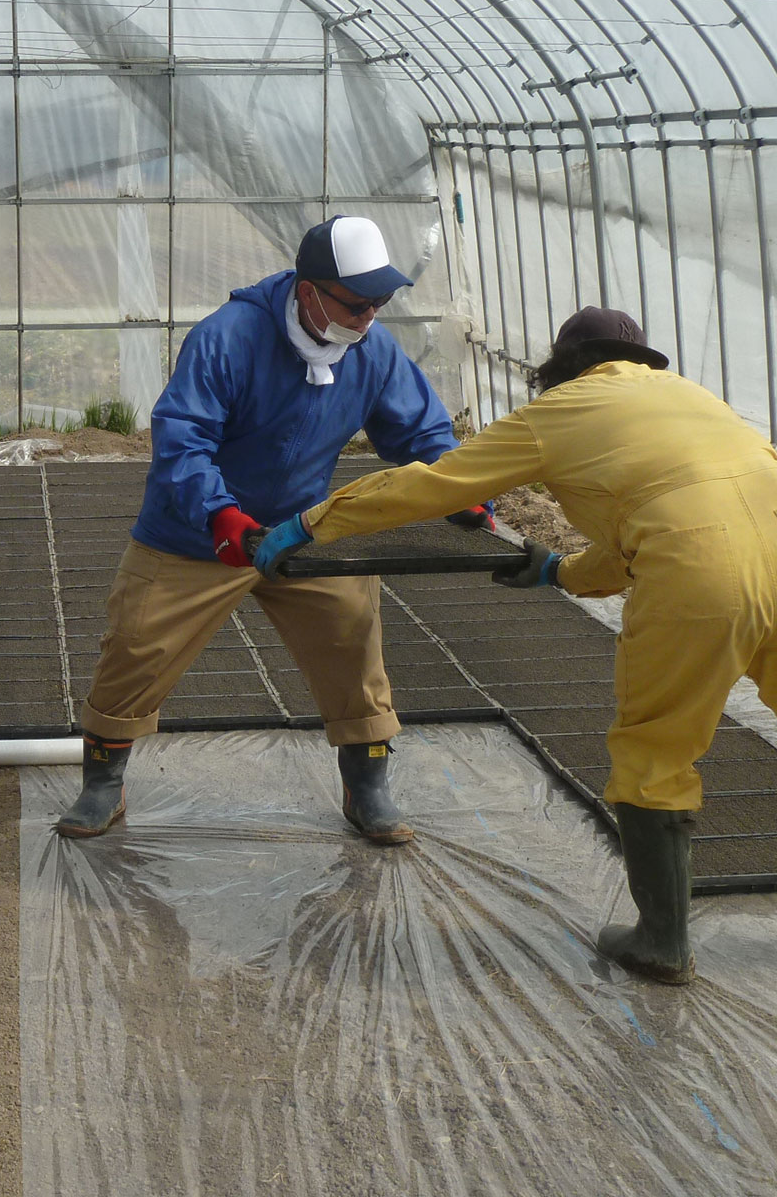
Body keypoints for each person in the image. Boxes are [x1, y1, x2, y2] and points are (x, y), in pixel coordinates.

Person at [253, 306, 777, 983]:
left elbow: (432, 487)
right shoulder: (697, 400)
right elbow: (670, 520)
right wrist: (560, 571)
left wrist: (314, 524)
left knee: (656, 750)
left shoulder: (555, 414)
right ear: (639, 360)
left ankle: (663, 942)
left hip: (698, 580)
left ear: (563, 370)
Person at [56, 215, 484, 846]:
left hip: (303, 528)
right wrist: (221, 515)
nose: (369, 316)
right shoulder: (229, 338)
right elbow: (183, 438)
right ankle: (102, 783)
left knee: (352, 643)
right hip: (197, 531)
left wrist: (458, 490)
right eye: (357, 302)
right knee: (137, 645)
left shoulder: (373, 351)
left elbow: (420, 432)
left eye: (380, 302)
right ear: (310, 290)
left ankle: (367, 789)